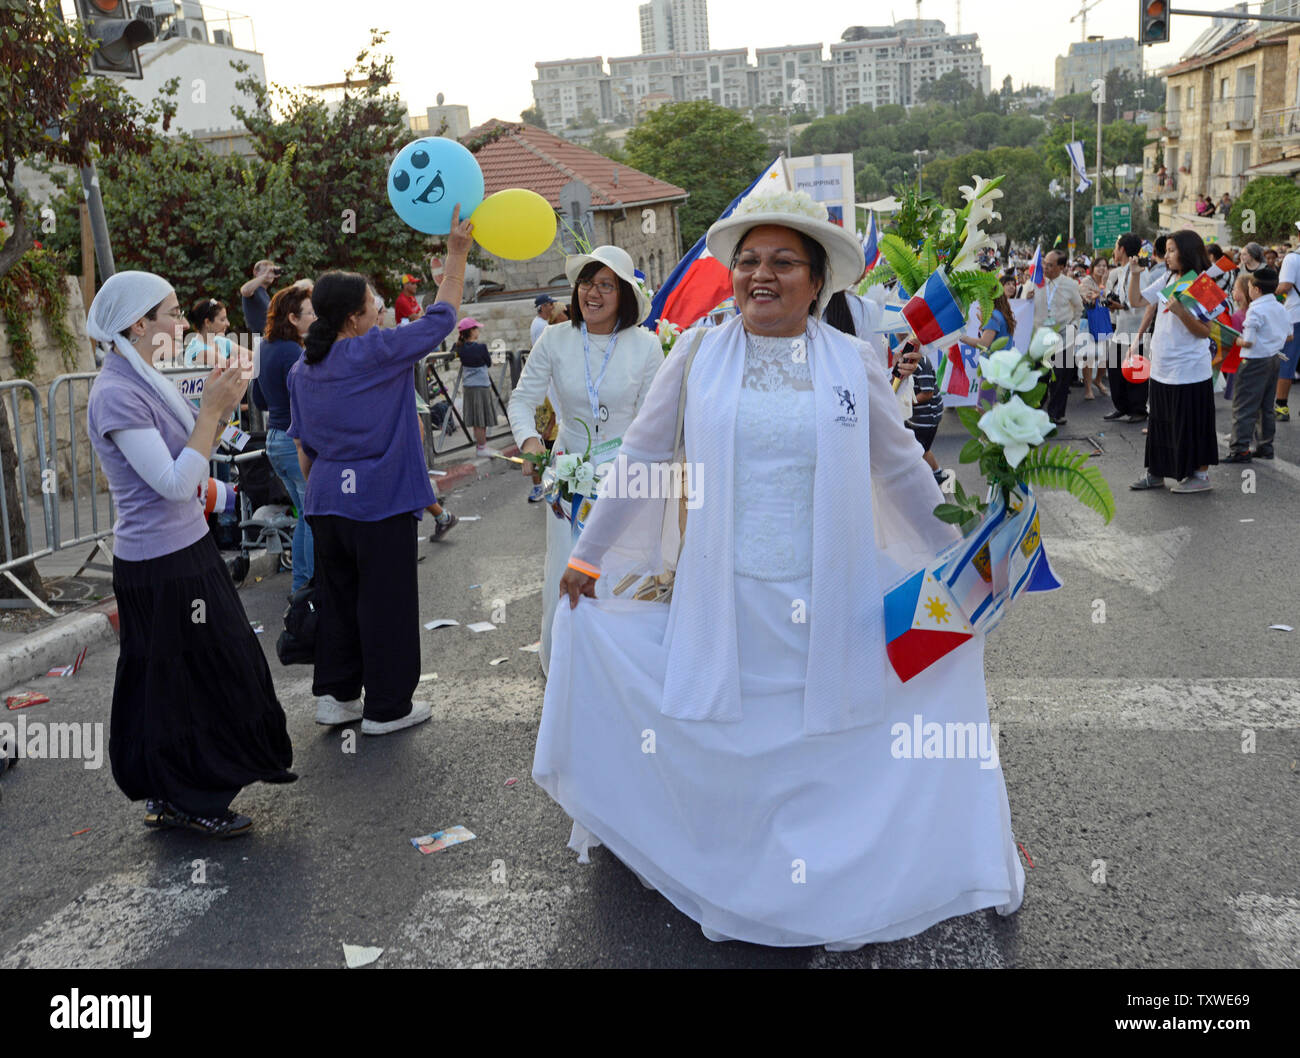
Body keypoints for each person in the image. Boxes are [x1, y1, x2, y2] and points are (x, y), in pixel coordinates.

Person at [536, 191, 1023, 949]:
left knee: (826, 745)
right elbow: (642, 457)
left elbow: (899, 472)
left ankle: (827, 886)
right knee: (733, 748)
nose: (761, 275)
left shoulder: (850, 362)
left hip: (833, 595)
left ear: (816, 280)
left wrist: (963, 560)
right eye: (749, 261)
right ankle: (737, 879)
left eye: (782, 263)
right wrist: (588, 553)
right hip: (724, 594)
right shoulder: (695, 355)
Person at [85, 271, 295, 836]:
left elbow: (198, 458)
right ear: (138, 324)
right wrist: (211, 414)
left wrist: (222, 413)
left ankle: (176, 791)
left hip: (184, 551)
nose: (182, 324)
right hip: (160, 565)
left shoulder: (147, 379)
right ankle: (189, 796)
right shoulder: (117, 393)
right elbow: (174, 483)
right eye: (172, 314)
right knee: (189, 679)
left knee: (201, 674)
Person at [286, 207, 474, 734]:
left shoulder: (304, 367)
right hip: (380, 499)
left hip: (327, 502)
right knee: (385, 603)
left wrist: (320, 498)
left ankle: (337, 698)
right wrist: (456, 253)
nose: (380, 309)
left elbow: (304, 447)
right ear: (353, 317)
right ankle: (387, 707)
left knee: (339, 600)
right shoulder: (378, 351)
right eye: (373, 303)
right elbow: (443, 316)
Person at [506, 245, 664, 675]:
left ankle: (621, 674)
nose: (592, 293)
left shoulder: (646, 346)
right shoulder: (555, 339)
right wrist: (529, 443)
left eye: (606, 285)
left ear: (624, 295)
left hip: (626, 479)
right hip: (567, 478)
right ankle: (567, 674)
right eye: (586, 283)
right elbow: (521, 401)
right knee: (566, 569)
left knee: (620, 574)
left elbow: (655, 419)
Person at [1128, 229, 1219, 493]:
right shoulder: (1169, 277)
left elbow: (1205, 331)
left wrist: (1181, 313)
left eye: (1171, 250)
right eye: (1166, 250)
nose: (1166, 256)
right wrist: (1134, 275)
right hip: (1163, 366)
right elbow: (1136, 300)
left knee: (1191, 423)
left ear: (1187, 252)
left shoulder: (1203, 284)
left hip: (1190, 369)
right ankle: (1156, 472)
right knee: (1161, 422)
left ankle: (1199, 477)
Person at [251, 285, 316, 591]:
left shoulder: (264, 346)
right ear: (292, 317)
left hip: (276, 438)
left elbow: (259, 399)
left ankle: (304, 586)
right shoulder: (292, 351)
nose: (316, 317)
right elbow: (308, 396)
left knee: (305, 513)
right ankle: (305, 587)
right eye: (310, 313)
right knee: (311, 516)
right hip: (293, 441)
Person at [1225, 267, 1288, 462]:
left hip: (1254, 360)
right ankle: (1265, 446)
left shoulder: (1256, 309)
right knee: (1265, 406)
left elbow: (1249, 341)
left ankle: (1240, 449)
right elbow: (1290, 334)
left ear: (1256, 289)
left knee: (1243, 405)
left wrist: (1238, 340)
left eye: (1250, 286)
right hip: (1274, 359)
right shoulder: (1280, 307)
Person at [1034, 249, 1084, 425]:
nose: (1046, 267)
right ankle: (1035, 411)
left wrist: (1075, 326)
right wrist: (1026, 296)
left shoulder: (1070, 284)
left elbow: (1078, 308)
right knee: (1040, 375)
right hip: (1040, 337)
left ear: (1061, 267)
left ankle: (1055, 414)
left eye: (1050, 265)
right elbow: (1023, 304)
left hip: (1063, 335)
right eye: (1045, 263)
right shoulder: (1035, 282)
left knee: (1060, 377)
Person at [1105, 234, 1148, 423]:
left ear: (1122, 249)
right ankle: (1121, 407)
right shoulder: (1122, 271)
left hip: (1136, 332)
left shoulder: (1141, 272)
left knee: (1136, 373)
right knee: (1115, 371)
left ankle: (1138, 409)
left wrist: (1121, 306)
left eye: (1115, 247)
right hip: (1120, 330)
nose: (1114, 251)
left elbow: (1141, 301)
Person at [454, 317, 497, 456]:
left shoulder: (459, 348)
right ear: (471, 331)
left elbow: (454, 351)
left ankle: (481, 445)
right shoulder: (481, 347)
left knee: (476, 418)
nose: (478, 331)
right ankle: (481, 447)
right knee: (481, 419)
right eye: (476, 328)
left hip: (468, 386)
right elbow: (488, 362)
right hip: (481, 385)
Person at [1274, 234, 1300, 422]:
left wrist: (1269, 291)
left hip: (1295, 317)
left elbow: (1285, 286)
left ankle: (1281, 406)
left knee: (1287, 361)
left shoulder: (1292, 258)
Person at [1079, 259, 1112, 401]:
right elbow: (1089, 300)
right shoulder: (1086, 281)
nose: (1102, 268)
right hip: (1089, 321)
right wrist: (1101, 290)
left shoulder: (1108, 281)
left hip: (1104, 319)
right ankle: (1088, 388)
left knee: (1105, 355)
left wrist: (1101, 290)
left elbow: (1110, 300)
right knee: (1089, 355)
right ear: (1092, 267)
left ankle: (1098, 380)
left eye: (1104, 266)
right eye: (1098, 266)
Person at [240, 259, 280, 335]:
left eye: (271, 271)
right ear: (255, 272)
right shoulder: (254, 289)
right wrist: (265, 276)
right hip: (260, 338)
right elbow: (244, 290)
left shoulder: (264, 293)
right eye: (266, 270)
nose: (269, 273)